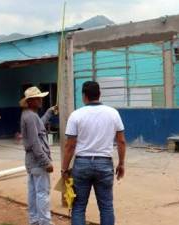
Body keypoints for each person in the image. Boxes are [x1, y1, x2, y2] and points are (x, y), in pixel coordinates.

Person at [61, 81, 126, 225]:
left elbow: (70, 145)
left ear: (84, 96)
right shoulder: (113, 113)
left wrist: (64, 169)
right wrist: (121, 164)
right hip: (104, 164)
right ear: (100, 94)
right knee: (106, 206)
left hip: (82, 164)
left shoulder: (76, 115)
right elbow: (121, 141)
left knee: (78, 207)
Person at [20, 86, 57, 225]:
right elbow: (36, 143)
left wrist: (49, 112)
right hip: (37, 162)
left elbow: (39, 125)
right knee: (42, 193)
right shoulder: (30, 117)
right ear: (30, 101)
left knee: (34, 192)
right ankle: (44, 222)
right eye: (37, 98)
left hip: (31, 162)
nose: (41, 100)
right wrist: (46, 162)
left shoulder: (30, 115)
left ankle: (35, 221)